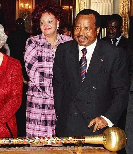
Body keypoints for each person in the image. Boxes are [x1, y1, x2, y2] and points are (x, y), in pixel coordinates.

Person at [53, 9, 129, 137]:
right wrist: (62, 114)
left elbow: (121, 92)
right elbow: (58, 86)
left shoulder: (114, 54)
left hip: (98, 127)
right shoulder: (63, 50)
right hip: (68, 126)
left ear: (97, 30)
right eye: (77, 28)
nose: (81, 33)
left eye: (86, 28)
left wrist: (106, 118)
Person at [24, 0, 72, 137]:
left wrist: (64, 96)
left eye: (50, 21)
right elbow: (33, 74)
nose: (45, 25)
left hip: (64, 103)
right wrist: (56, 93)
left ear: (58, 21)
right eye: (42, 22)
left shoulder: (69, 43)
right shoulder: (32, 43)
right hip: (39, 102)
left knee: (62, 144)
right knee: (39, 146)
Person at [7, 18, 30, 137]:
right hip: (14, 64)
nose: (20, 25)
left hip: (25, 67)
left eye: (21, 23)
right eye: (18, 23)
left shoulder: (28, 36)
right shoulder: (12, 35)